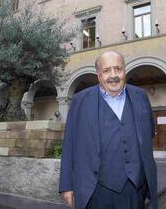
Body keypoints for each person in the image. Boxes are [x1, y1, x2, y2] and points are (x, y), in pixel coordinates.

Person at [59, 51, 158, 209]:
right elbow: (69, 144)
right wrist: (66, 186)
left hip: (134, 189)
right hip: (96, 190)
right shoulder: (80, 100)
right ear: (98, 75)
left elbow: (149, 134)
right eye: (106, 71)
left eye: (118, 69)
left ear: (124, 71)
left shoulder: (140, 96)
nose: (113, 75)